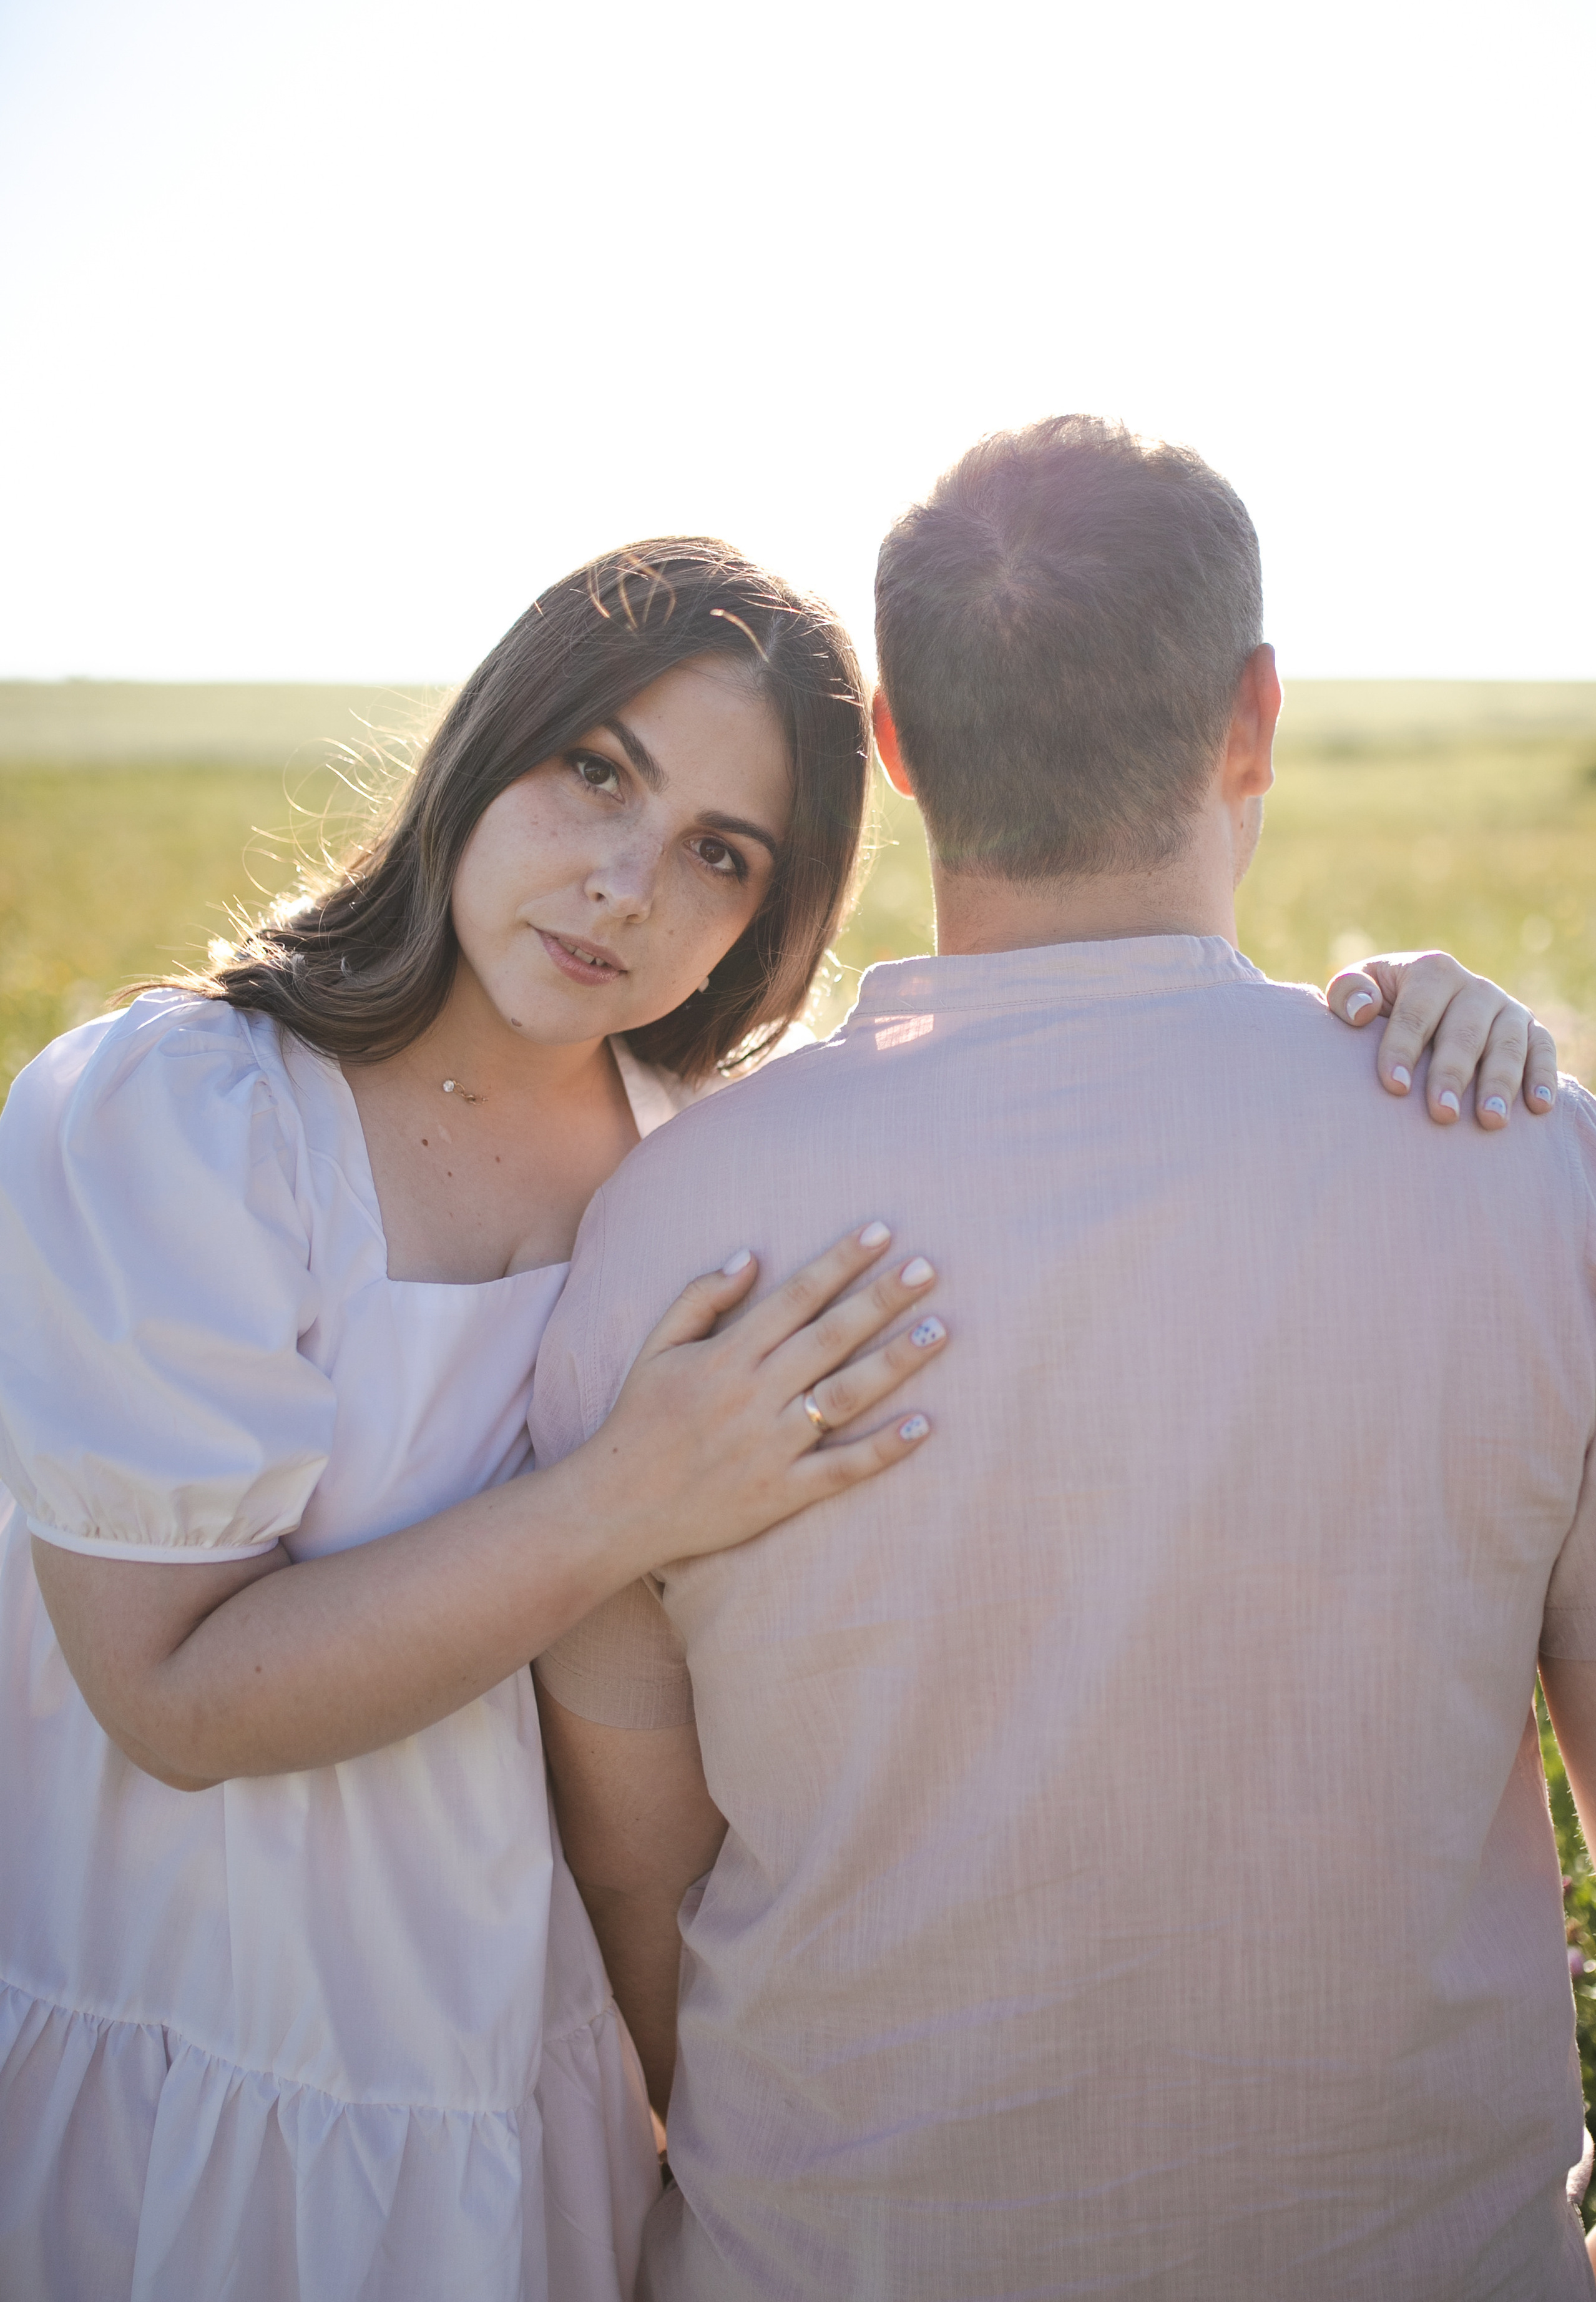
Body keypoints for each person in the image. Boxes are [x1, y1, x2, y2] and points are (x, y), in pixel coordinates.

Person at [531, 421, 1596, 2301]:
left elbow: (636, 1864)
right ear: (1252, 719)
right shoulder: (1524, 1164)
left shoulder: (664, 1230)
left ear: (896, 748)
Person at [0, 541, 952, 2302]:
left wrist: (1395, 1028)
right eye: (598, 770)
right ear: (489, 743)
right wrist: (620, 1502)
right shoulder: (183, 1121)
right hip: (216, 2044)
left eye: (717, 856)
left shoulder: (712, 1162)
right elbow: (172, 1699)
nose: (623, 887)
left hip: (545, 2061)